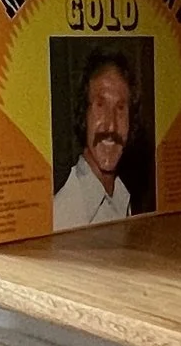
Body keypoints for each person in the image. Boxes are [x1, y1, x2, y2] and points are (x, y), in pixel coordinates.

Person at [53, 48, 137, 227]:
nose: (111, 125)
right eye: (100, 106)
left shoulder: (123, 197)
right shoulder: (63, 212)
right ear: (83, 114)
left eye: (121, 108)